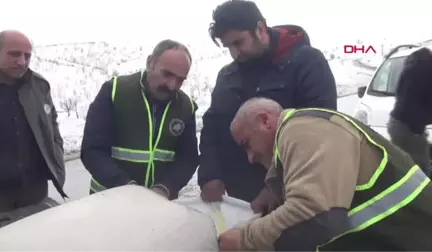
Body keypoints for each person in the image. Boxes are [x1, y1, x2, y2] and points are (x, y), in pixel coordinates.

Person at [218, 97, 432, 252]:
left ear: (264, 120)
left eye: (246, 145)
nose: (250, 157)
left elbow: (314, 216)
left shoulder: (301, 129)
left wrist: (243, 239)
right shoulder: (305, 132)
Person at [198, 0, 337, 213]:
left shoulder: (306, 64)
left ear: (260, 29)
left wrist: (275, 186)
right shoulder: (227, 76)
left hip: (290, 197)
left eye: (238, 42)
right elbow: (212, 127)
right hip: (240, 199)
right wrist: (210, 174)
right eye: (228, 47)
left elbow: (319, 134)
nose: (235, 53)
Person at [81, 39, 199, 200]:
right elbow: (92, 151)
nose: (172, 85)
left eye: (180, 80)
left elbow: (188, 158)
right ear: (150, 63)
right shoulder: (114, 92)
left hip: (158, 205)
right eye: (167, 74)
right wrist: (126, 187)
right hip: (108, 202)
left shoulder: (186, 107)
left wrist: (165, 187)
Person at [0, 30, 66, 227]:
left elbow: (53, 131)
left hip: (35, 192)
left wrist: (58, 168)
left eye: (27, 55)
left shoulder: (39, 86)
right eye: (14, 54)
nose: (21, 61)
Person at [388, 47, 432, 176]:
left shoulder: (417, 64)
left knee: (405, 169)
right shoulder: (425, 69)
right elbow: (412, 105)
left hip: (399, 124)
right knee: (419, 173)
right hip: (408, 128)